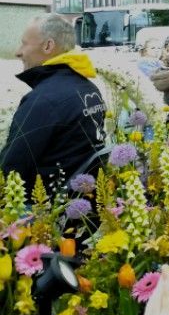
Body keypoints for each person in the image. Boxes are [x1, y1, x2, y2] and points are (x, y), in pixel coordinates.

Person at [0, 14, 106, 196]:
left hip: (44, 208)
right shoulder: (88, 87)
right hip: (83, 201)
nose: (18, 52)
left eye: (24, 44)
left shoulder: (44, 101)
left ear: (48, 46)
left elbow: (10, 169)